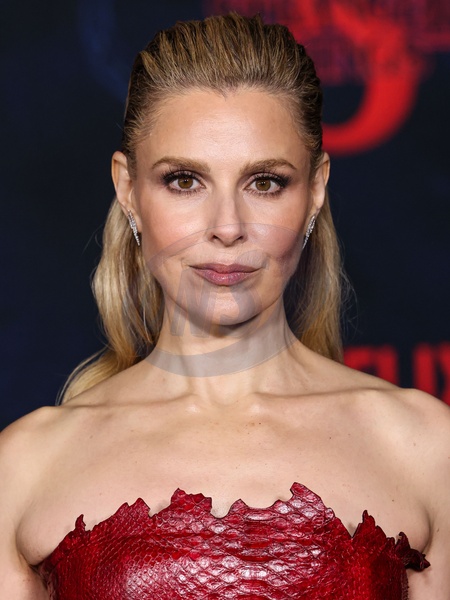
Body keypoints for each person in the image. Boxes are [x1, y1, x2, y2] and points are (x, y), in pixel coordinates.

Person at [1, 12, 449, 599]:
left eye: (265, 182)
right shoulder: (25, 468)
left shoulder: (425, 449)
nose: (228, 227)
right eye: (185, 181)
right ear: (128, 190)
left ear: (315, 190)